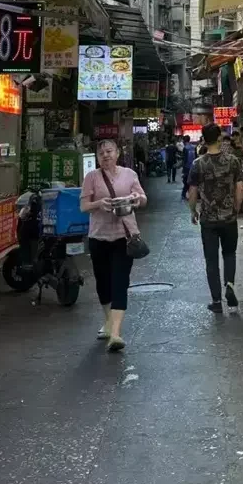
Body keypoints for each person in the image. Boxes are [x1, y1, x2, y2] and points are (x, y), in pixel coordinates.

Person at [80, 139, 147, 352]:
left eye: (109, 151)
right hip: (98, 237)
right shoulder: (91, 177)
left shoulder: (129, 174)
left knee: (120, 281)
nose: (106, 155)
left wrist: (136, 198)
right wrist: (99, 204)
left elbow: (142, 198)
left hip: (124, 237)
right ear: (97, 158)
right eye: (101, 153)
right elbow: (84, 206)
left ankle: (116, 333)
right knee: (103, 283)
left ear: (117, 153)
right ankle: (108, 321)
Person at [187, 123, 243, 314]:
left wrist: (193, 211)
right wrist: (236, 208)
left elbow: (192, 191)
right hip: (229, 218)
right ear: (219, 138)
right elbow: (239, 188)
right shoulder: (233, 161)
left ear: (204, 139)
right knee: (229, 254)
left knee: (211, 260)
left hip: (208, 220)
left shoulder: (198, 164)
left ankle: (216, 301)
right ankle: (230, 285)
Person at [181, 134, 196, 200]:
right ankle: (191, 195)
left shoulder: (185, 148)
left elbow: (184, 159)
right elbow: (196, 157)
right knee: (192, 182)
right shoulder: (194, 147)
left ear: (184, 141)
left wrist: (183, 169)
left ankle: (183, 195)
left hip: (187, 168)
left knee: (186, 182)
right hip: (193, 167)